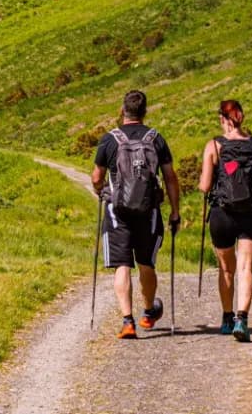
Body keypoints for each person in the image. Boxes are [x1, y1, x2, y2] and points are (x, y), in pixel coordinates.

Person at [91, 89, 182, 339]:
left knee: (122, 265)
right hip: (148, 210)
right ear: (144, 112)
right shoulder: (156, 139)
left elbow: (97, 177)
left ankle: (127, 321)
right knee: (145, 263)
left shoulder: (109, 140)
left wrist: (101, 191)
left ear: (123, 110)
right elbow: (171, 178)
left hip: (116, 211)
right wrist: (175, 211)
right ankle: (149, 312)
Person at [197, 97, 252, 343]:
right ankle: (242, 319)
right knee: (246, 267)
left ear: (223, 120)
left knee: (226, 268)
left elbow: (204, 186)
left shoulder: (214, 146)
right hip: (251, 214)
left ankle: (226, 317)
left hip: (222, 215)